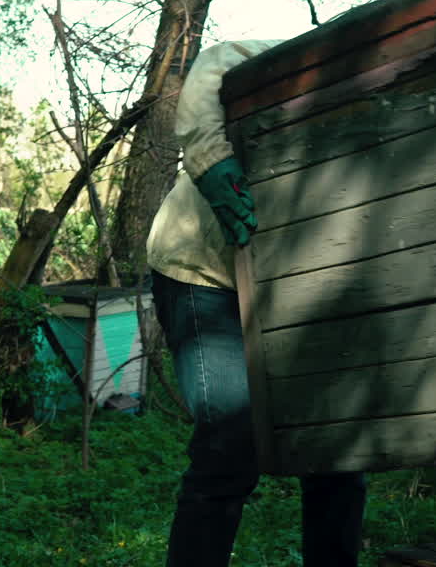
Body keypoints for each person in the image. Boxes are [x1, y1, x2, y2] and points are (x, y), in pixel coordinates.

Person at [146, 40, 367, 567]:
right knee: (230, 442)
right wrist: (211, 161)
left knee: (336, 451)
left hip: (295, 287)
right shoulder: (314, 56)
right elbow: (216, 62)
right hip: (203, 271)